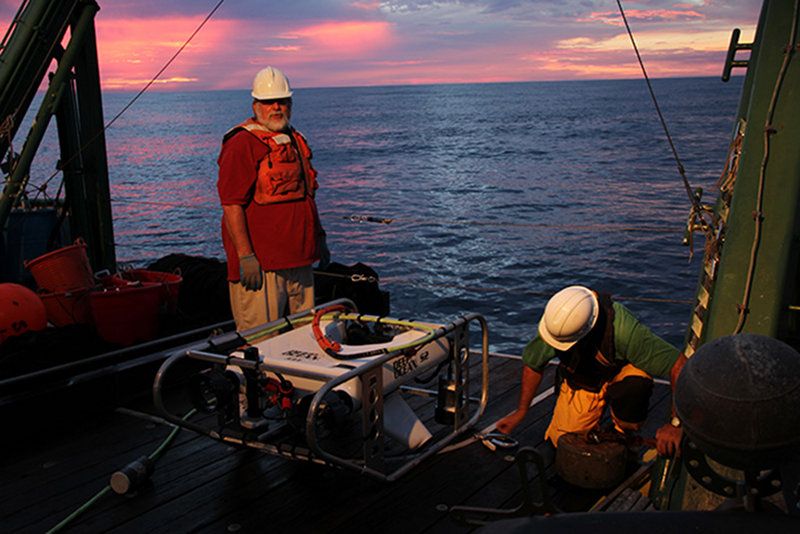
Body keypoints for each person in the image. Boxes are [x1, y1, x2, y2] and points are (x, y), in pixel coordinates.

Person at [496, 285, 686, 457]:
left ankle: (622, 431)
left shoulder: (623, 330)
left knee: (636, 385)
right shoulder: (556, 325)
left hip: (619, 371)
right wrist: (521, 412)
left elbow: (680, 366)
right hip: (585, 380)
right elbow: (533, 365)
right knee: (562, 443)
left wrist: (676, 424)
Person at [217, 66, 329, 331]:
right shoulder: (242, 144)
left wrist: (319, 240)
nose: (276, 107)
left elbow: (307, 196)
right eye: (269, 102)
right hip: (263, 268)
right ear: (256, 105)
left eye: (283, 101)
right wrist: (246, 257)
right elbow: (232, 204)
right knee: (262, 341)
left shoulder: (294, 139)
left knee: (306, 336)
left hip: (300, 261)